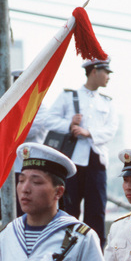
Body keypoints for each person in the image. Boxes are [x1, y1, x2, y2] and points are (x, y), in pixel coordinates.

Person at [42, 58, 119, 245]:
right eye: (105, 72)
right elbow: (48, 120)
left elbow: (111, 129)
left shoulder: (107, 102)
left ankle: (96, 250)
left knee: (97, 210)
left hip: (96, 160)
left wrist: (88, 132)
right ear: (94, 71)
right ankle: (66, 250)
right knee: (69, 208)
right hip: (72, 160)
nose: (108, 77)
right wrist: (69, 124)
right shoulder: (69, 96)